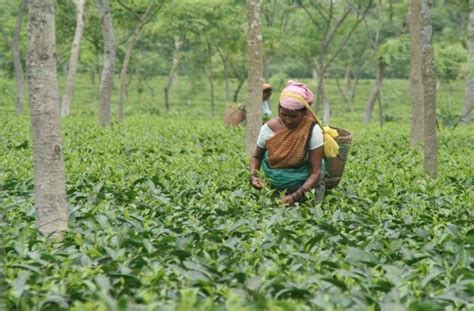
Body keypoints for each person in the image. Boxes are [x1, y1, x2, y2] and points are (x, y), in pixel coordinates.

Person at [249, 80, 338, 205]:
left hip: (306, 188)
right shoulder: (267, 129)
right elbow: (256, 156)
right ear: (279, 108)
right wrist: (253, 176)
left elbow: (316, 172)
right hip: (275, 186)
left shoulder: (312, 130)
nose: (288, 120)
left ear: (304, 112)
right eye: (284, 114)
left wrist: (296, 196)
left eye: (293, 116)